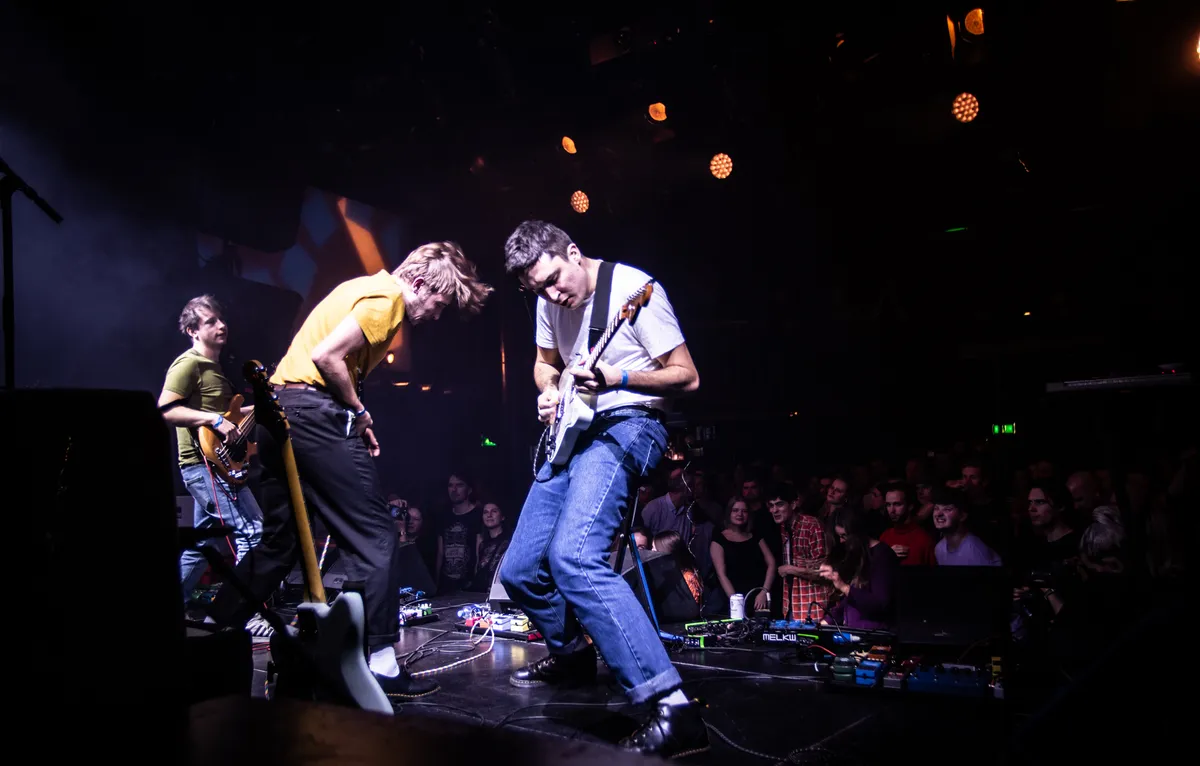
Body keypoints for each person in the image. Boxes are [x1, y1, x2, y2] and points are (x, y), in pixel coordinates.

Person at [207, 242, 492, 699]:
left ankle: (213, 624)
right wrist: (357, 411)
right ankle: (380, 663)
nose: (435, 315)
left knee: (281, 541)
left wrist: (358, 420)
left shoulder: (361, 287)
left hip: (279, 413)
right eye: (439, 304)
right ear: (420, 284)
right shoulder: (388, 299)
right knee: (377, 535)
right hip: (312, 415)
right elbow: (327, 357)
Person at [498, 220, 707, 758]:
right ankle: (572, 656)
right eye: (539, 289)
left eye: (554, 279)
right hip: (573, 428)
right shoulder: (548, 300)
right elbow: (544, 365)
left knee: (574, 557)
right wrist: (549, 391)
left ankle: (674, 709)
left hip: (630, 422)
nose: (552, 295)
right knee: (519, 569)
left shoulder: (636, 289)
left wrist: (620, 379)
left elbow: (687, 375)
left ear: (573, 252)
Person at [159, 295, 263, 608]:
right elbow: (165, 409)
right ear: (193, 331)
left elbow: (229, 416)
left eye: (221, 319)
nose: (221, 325)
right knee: (252, 532)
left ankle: (168, 608)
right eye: (211, 322)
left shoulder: (215, 368)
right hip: (203, 466)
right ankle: (237, 611)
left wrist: (266, 405)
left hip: (217, 464)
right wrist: (212, 419)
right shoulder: (189, 364)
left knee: (202, 544)